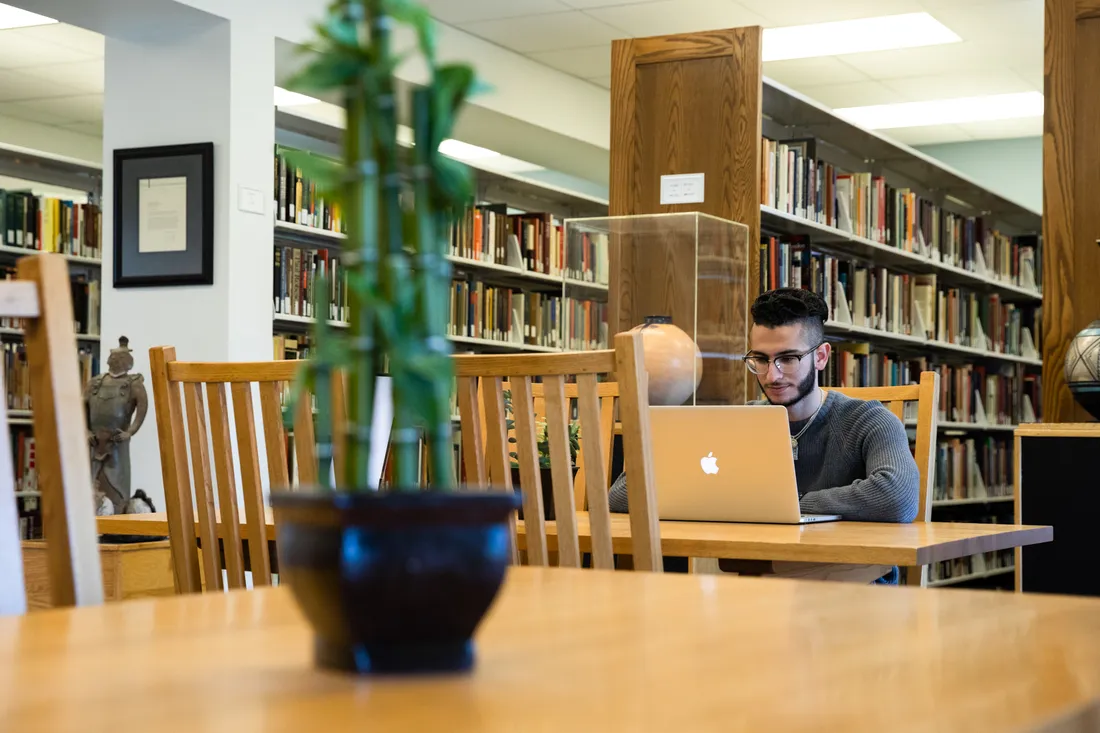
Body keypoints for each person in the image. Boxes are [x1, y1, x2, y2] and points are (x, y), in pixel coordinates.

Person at [608, 288, 920, 581]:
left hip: (853, 590)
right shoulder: (738, 423)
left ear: (821, 357)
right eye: (760, 360)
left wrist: (787, 506)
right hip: (760, 589)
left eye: (788, 359)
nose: (772, 376)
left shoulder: (869, 420)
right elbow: (621, 494)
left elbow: (898, 497)